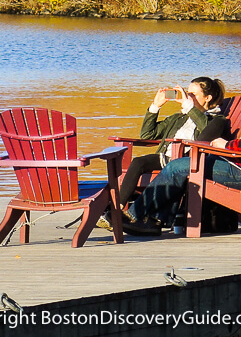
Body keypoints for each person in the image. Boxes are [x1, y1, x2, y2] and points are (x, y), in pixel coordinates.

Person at [123, 72, 241, 236]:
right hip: (237, 164)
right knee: (180, 167)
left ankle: (132, 215)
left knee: (178, 166)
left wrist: (227, 145)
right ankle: (154, 222)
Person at [97, 77, 228, 232]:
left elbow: (204, 136)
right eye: (187, 93)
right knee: (139, 162)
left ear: (208, 98)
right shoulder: (179, 118)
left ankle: (143, 219)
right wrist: (155, 106)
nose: (188, 97)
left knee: (170, 172)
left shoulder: (217, 120)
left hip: (188, 162)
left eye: (192, 94)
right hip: (166, 158)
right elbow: (147, 134)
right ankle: (116, 208)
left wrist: (188, 106)